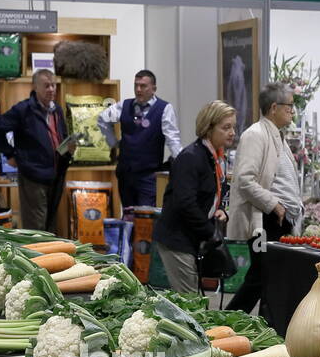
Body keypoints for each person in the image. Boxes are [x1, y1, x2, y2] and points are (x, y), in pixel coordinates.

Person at [225, 83, 298, 313]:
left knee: (270, 278)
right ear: (274, 107)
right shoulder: (255, 134)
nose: (292, 111)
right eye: (289, 106)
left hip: (278, 220)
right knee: (261, 276)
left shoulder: (277, 135)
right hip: (264, 221)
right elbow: (244, 181)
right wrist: (274, 204)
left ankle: (268, 324)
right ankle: (227, 322)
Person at [152, 100, 237, 294]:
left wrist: (221, 209)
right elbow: (185, 203)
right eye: (226, 127)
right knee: (189, 302)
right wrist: (209, 232)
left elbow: (220, 188)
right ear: (209, 128)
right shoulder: (191, 157)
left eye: (233, 127)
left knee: (192, 300)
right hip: (177, 238)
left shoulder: (216, 157)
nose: (232, 132)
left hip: (192, 236)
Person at [0, 69, 70, 232]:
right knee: (36, 227)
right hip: (33, 175)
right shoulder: (23, 110)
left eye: (53, 85)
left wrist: (68, 147)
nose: (52, 89)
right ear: (35, 87)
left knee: (50, 225)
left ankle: (49, 257)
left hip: (56, 175)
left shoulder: (57, 110)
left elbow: (61, 136)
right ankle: (34, 257)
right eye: (46, 86)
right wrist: (10, 154)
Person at [97, 69, 182, 209]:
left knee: (146, 217)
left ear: (153, 89)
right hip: (125, 173)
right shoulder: (125, 105)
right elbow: (102, 119)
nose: (138, 89)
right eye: (136, 85)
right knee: (128, 215)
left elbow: (173, 139)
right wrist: (113, 142)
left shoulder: (164, 109)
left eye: (143, 86)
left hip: (148, 175)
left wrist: (181, 162)